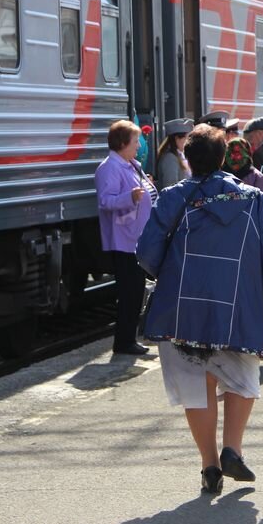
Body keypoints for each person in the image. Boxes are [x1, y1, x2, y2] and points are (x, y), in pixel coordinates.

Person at [137, 124, 263, 494]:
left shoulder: (173, 197)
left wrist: (172, 270)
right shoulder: (254, 200)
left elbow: (146, 252)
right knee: (242, 378)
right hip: (239, 302)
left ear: (187, 160)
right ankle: (232, 449)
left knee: (197, 386)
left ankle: (209, 465)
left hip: (182, 306)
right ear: (224, 157)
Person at [94, 119, 159, 355]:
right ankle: (124, 341)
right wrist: (129, 197)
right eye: (134, 142)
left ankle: (129, 338)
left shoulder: (130, 164)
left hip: (135, 237)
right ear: (122, 143)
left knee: (136, 289)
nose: (138, 146)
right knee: (130, 291)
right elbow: (105, 201)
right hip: (124, 239)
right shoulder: (109, 168)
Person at [156, 118, 194, 189]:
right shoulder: (170, 158)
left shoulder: (181, 155)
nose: (189, 141)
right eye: (187, 138)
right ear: (177, 138)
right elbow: (170, 186)